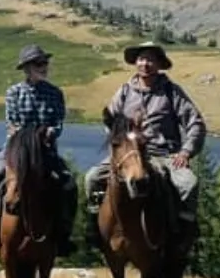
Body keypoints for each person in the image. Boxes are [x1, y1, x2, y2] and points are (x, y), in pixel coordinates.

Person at [84, 42, 204, 245]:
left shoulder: (171, 92)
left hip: (164, 154)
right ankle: (96, 229)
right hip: (128, 154)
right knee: (91, 178)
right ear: (135, 63)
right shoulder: (124, 91)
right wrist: (119, 144)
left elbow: (195, 123)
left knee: (189, 184)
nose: (145, 63)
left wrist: (185, 152)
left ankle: (184, 233)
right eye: (141, 59)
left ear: (159, 64)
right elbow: (111, 122)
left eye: (150, 59)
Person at [0, 44, 78, 253]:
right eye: (39, 64)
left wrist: (50, 133)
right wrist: (30, 135)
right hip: (16, 149)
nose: (44, 67)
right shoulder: (13, 93)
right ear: (27, 68)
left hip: (45, 150)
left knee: (68, 183)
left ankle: (64, 231)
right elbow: (12, 124)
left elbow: (58, 123)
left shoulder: (55, 93)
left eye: (45, 63)